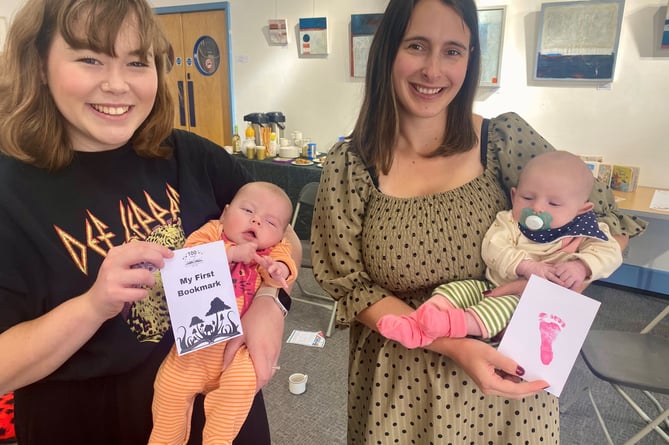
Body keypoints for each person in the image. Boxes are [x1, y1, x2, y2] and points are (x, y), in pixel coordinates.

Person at [309, 0, 646, 443]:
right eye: (416, 46)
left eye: (453, 51)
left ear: (471, 59)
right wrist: (451, 344)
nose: (433, 70)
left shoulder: (503, 138)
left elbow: (608, 219)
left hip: (511, 384)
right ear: (387, 51)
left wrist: (568, 277)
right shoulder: (350, 164)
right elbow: (348, 282)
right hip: (401, 389)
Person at [0, 1, 298, 444]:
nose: (117, 84)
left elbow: (281, 230)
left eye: (137, 62)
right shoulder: (11, 190)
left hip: (219, 410)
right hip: (90, 424)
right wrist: (92, 306)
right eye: (90, 58)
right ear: (39, 64)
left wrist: (272, 302)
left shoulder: (190, 155)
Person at [376, 151, 623, 348]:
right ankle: (417, 323)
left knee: (499, 308)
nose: (537, 208)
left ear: (580, 209)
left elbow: (610, 253)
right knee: (454, 289)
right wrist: (526, 266)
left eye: (554, 203)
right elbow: (494, 247)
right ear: (514, 195)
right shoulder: (509, 221)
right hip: (488, 285)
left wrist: (581, 266)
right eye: (527, 198)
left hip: (526, 303)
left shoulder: (586, 231)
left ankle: (445, 325)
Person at [150, 181, 297, 445]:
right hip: (194, 349)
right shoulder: (211, 233)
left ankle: (218, 440)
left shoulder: (273, 251)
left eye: (270, 223)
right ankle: (164, 439)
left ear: (281, 235)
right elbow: (188, 256)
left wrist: (279, 270)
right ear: (225, 213)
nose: (256, 220)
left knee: (241, 385)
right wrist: (230, 253)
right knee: (168, 389)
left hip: (237, 350)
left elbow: (286, 261)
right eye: (248, 210)